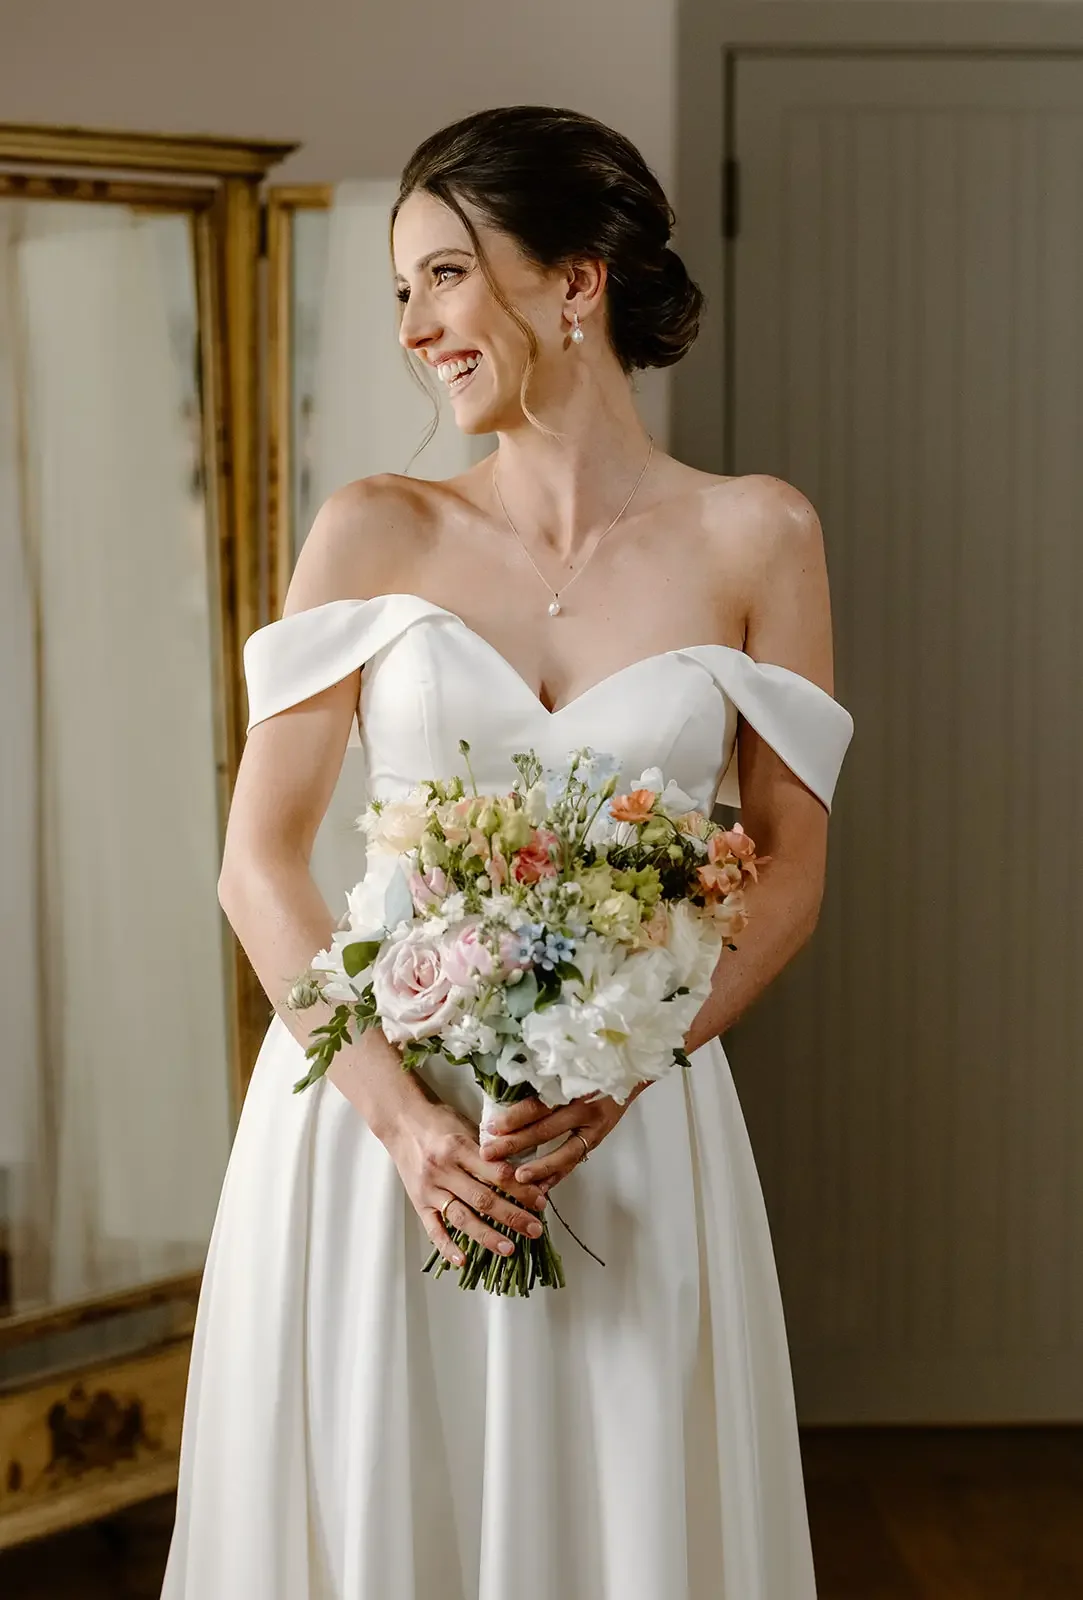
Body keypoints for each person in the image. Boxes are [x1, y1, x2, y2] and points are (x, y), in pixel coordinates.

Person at [161, 105, 854, 1600]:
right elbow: (258, 865)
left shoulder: (757, 537)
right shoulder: (370, 529)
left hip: (621, 1134)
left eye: (442, 278)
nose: (413, 327)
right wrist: (401, 1122)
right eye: (401, 291)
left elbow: (787, 868)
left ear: (574, 282)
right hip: (369, 1131)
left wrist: (633, 1066)